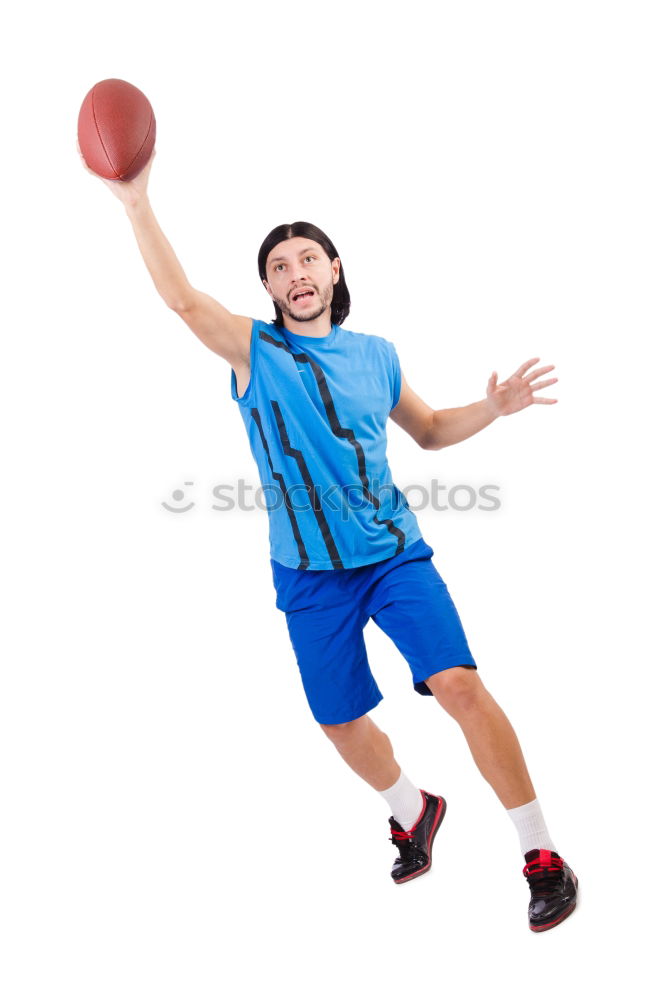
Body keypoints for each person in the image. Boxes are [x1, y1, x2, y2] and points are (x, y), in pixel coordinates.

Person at [78, 143, 579, 932]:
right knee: (340, 722)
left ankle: (541, 853)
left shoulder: (377, 355)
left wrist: (496, 409)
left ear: (335, 269)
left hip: (392, 555)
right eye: (279, 266)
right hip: (308, 574)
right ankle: (414, 811)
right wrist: (135, 200)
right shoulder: (254, 349)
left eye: (307, 256)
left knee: (458, 686)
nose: (295, 271)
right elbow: (179, 298)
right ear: (270, 288)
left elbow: (431, 431)